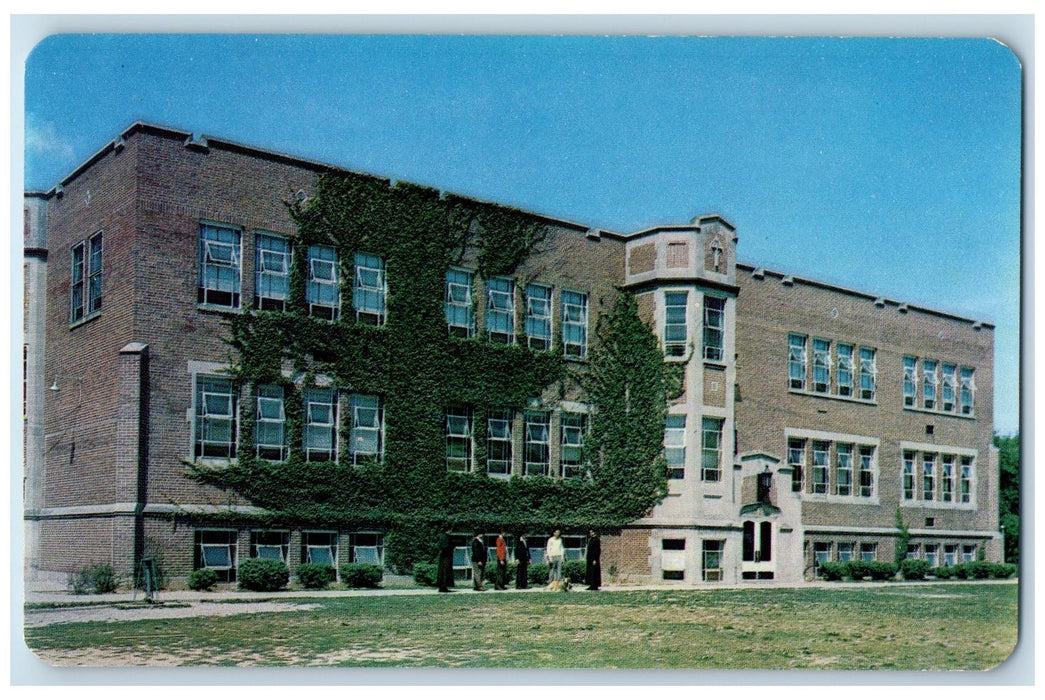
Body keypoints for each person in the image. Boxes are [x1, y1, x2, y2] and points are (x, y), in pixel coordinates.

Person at [436, 528, 455, 593]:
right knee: (445, 571)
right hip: (446, 557)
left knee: (443, 571)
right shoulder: (446, 537)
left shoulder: (442, 537)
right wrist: (452, 548)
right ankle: (443, 586)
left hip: (443, 557)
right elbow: (446, 547)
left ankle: (442, 586)